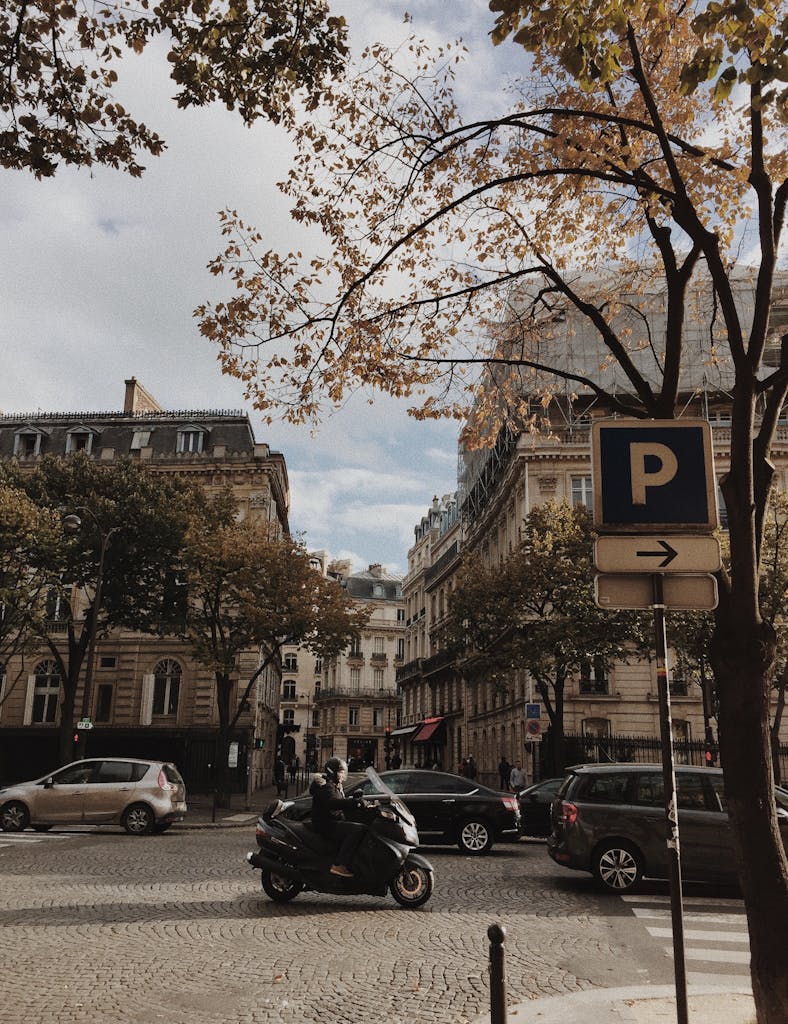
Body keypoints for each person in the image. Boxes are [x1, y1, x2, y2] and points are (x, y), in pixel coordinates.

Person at [309, 757, 367, 878]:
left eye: (343, 772)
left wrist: (357, 802)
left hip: (331, 820)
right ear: (332, 772)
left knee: (358, 823)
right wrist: (354, 803)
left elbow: (340, 801)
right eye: (340, 772)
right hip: (326, 824)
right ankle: (340, 864)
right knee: (357, 829)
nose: (342, 775)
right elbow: (332, 802)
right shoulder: (326, 786)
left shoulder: (334, 785)